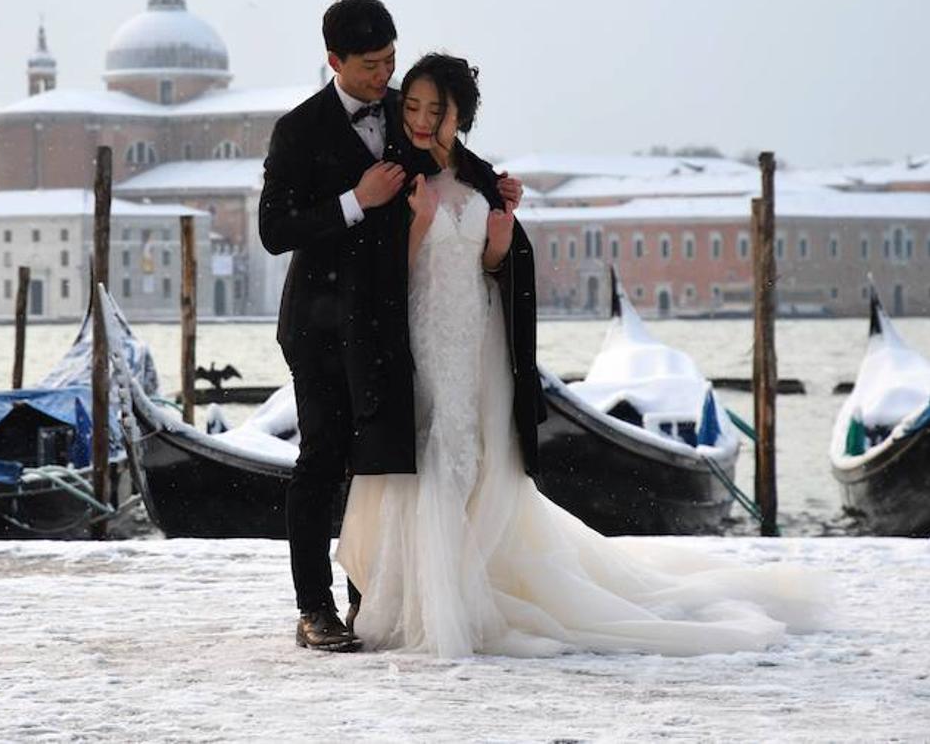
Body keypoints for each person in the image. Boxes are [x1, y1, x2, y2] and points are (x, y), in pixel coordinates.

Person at [336, 54, 830, 658]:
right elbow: (387, 278)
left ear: (460, 116)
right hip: (419, 334)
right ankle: (423, 597)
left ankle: (470, 583)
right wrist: (418, 223)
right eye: (410, 106)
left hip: (477, 337)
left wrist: (497, 242)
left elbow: (495, 269)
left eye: (434, 110)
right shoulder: (395, 178)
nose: (419, 120)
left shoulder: (483, 178)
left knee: (475, 458)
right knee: (433, 452)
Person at [258, 0, 521, 652]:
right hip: (318, 322)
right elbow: (273, 230)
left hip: (387, 323)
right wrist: (356, 201)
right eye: (372, 65)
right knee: (322, 459)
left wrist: (497, 188)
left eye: (391, 60)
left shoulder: (408, 111)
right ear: (334, 61)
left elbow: (454, 156)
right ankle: (315, 607)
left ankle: (372, 600)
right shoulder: (298, 130)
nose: (386, 75)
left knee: (380, 466)